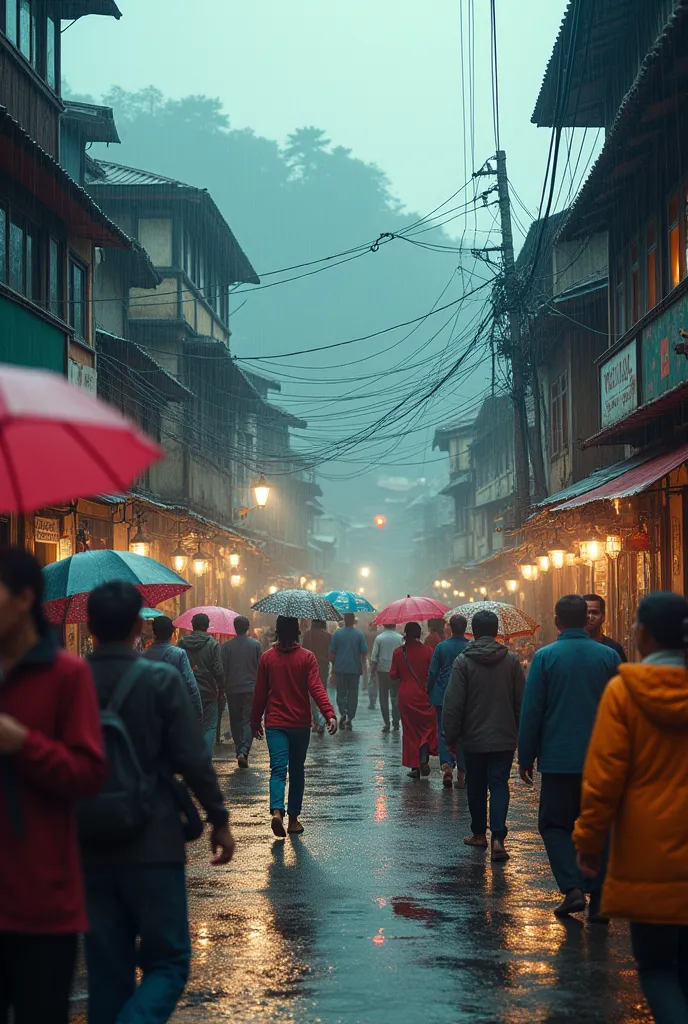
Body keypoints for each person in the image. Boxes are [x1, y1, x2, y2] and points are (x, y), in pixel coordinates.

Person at [83, 582, 235, 1024]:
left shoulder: (70, 681)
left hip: (89, 841)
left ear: (88, 627)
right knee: (167, 963)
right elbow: (192, 757)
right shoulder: (160, 678)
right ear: (138, 627)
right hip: (154, 840)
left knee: (107, 974)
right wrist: (218, 820)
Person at [0, 548, 106, 1024]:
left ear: (23, 598)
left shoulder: (67, 675)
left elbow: (87, 775)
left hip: (43, 899)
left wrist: (24, 744)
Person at [574, 592, 688, 1022]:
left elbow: (604, 778)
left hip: (648, 856)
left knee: (659, 970)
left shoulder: (624, 692)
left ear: (641, 634)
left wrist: (588, 841)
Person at [518, 594, 620, 919]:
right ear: (585, 619)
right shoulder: (608, 657)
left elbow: (532, 710)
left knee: (553, 824)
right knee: (601, 826)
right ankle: (601, 898)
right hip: (603, 760)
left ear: (556, 621)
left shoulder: (545, 657)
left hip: (559, 760)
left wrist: (526, 755)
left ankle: (573, 888)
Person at [443, 610, 525, 861]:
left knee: (476, 785)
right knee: (499, 784)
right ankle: (498, 838)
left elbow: (453, 703)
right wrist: (522, 734)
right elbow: (521, 701)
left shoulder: (463, 661)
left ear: (473, 632)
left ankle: (479, 834)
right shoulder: (510, 661)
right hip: (504, 736)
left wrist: (451, 737)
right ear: (496, 631)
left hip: (473, 737)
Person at [251, 616, 337, 837]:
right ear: (298, 632)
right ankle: (293, 820)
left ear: (277, 632)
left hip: (275, 724)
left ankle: (277, 811)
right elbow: (316, 688)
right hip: (299, 725)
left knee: (277, 770)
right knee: (297, 770)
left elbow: (260, 693)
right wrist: (328, 714)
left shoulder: (267, 658)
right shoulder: (307, 658)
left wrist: (254, 721)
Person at [426, 614, 470, 788]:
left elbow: (433, 672)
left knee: (443, 730)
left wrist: (429, 688)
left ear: (450, 628)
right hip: (464, 697)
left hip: (442, 695)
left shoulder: (441, 647)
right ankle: (462, 772)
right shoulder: (469, 647)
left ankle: (447, 768)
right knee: (463, 733)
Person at [390, 622, 437, 779]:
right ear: (419, 634)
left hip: (406, 695)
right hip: (424, 693)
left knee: (410, 731)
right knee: (426, 727)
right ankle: (423, 756)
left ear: (405, 633)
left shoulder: (398, 653)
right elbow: (432, 673)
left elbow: (393, 674)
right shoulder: (428, 651)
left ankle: (415, 767)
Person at [177, 613, 224, 756]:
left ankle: (192, 757)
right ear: (207, 626)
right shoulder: (212, 644)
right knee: (209, 726)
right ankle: (205, 759)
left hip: (187, 691)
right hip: (209, 692)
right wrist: (222, 688)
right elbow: (219, 670)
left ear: (192, 625)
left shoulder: (181, 643)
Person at [221, 616, 262, 769]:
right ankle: (243, 751)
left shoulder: (226, 647)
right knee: (247, 720)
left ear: (234, 628)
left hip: (232, 689)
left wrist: (222, 687)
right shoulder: (256, 645)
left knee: (235, 719)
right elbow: (261, 668)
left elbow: (222, 669)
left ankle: (239, 750)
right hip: (251, 688)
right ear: (248, 628)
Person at [144, 615, 202, 720]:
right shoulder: (179, 654)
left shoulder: (145, 655)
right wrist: (198, 710)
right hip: (174, 709)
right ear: (172, 633)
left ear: (154, 632)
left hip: (151, 711)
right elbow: (190, 684)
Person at [329, 612, 368, 730]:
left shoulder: (337, 634)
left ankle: (343, 712)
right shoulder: (359, 635)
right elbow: (364, 651)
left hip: (340, 668)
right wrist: (362, 663)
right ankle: (350, 717)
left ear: (344, 620)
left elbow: (332, 653)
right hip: (354, 669)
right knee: (352, 693)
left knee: (341, 692)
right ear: (353, 621)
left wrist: (333, 665)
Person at [370, 623, 404, 733]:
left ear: (384, 625)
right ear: (394, 625)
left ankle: (386, 723)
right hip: (397, 671)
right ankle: (396, 722)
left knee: (383, 697)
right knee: (395, 697)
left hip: (383, 671)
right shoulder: (400, 638)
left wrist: (372, 671)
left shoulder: (379, 638)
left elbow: (374, 657)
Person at [302, 619, 331, 734]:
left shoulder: (307, 635)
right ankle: (322, 719)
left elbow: (303, 651)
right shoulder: (328, 636)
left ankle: (316, 721)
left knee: (311, 694)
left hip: (309, 667)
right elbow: (330, 653)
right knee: (322, 692)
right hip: (323, 666)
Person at [584, 593, 627, 661]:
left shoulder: (614, 648)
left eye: (595, 612)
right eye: (586, 612)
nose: (590, 617)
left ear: (603, 617)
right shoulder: (572, 647)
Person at [364, 623, 380, 709]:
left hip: (369, 658)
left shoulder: (366, 634)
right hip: (379, 660)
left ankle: (372, 701)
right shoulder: (379, 634)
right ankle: (375, 699)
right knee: (376, 681)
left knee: (371, 681)